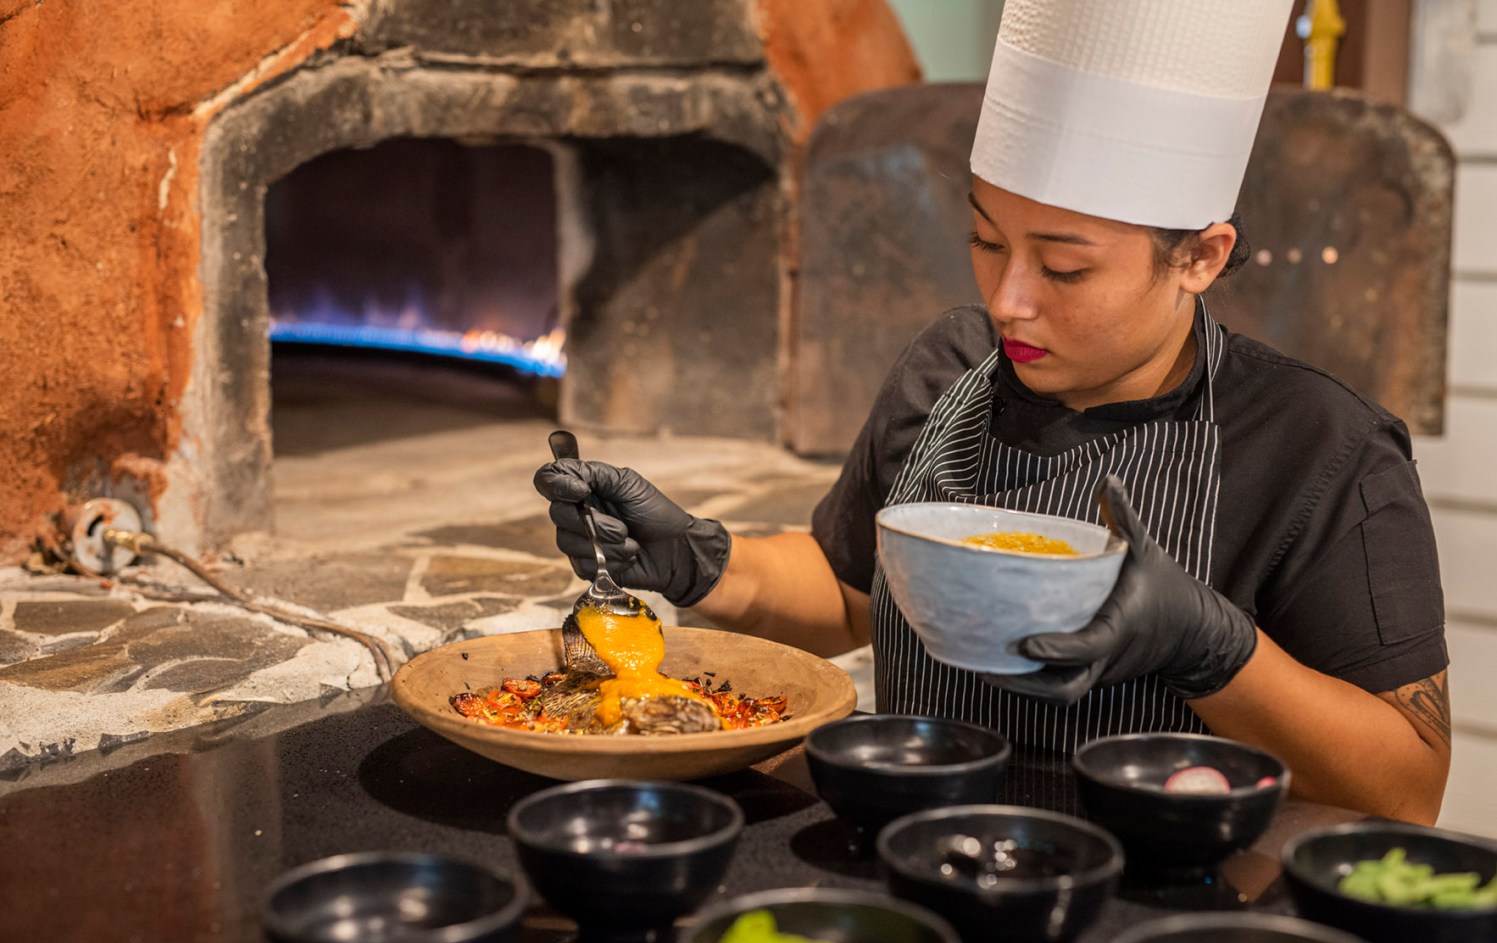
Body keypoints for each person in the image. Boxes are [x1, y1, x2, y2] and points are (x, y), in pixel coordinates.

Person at [534, 0, 1451, 824]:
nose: (1008, 299)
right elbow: (855, 588)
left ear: (1201, 258)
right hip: (910, 843)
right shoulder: (951, 366)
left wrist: (1208, 648)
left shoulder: (1322, 449)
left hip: (1157, 897)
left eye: (1064, 268)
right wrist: (702, 563)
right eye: (984, 238)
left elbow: (1405, 784)